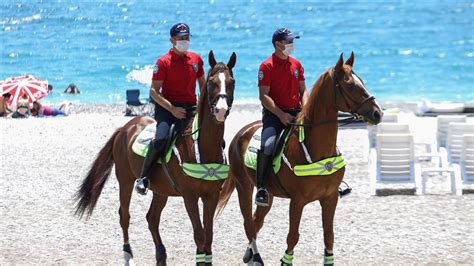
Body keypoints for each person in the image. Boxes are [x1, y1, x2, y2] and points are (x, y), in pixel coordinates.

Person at [135, 22, 205, 195]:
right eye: (181, 38)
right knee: (161, 139)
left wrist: (203, 108)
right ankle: (143, 178)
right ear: (172, 40)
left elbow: (203, 87)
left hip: (191, 109)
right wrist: (172, 109)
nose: (184, 41)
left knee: (212, 135)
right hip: (167, 109)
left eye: (187, 38)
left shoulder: (196, 59)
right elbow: (153, 92)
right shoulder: (163, 62)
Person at [255, 28, 309, 206]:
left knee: (319, 137)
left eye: (292, 41)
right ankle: (262, 188)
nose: (292, 45)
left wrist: (305, 109)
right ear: (278, 44)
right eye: (288, 42)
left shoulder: (296, 64)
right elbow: (264, 96)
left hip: (297, 113)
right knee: (268, 146)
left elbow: (303, 90)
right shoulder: (266, 66)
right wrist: (281, 114)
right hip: (274, 116)